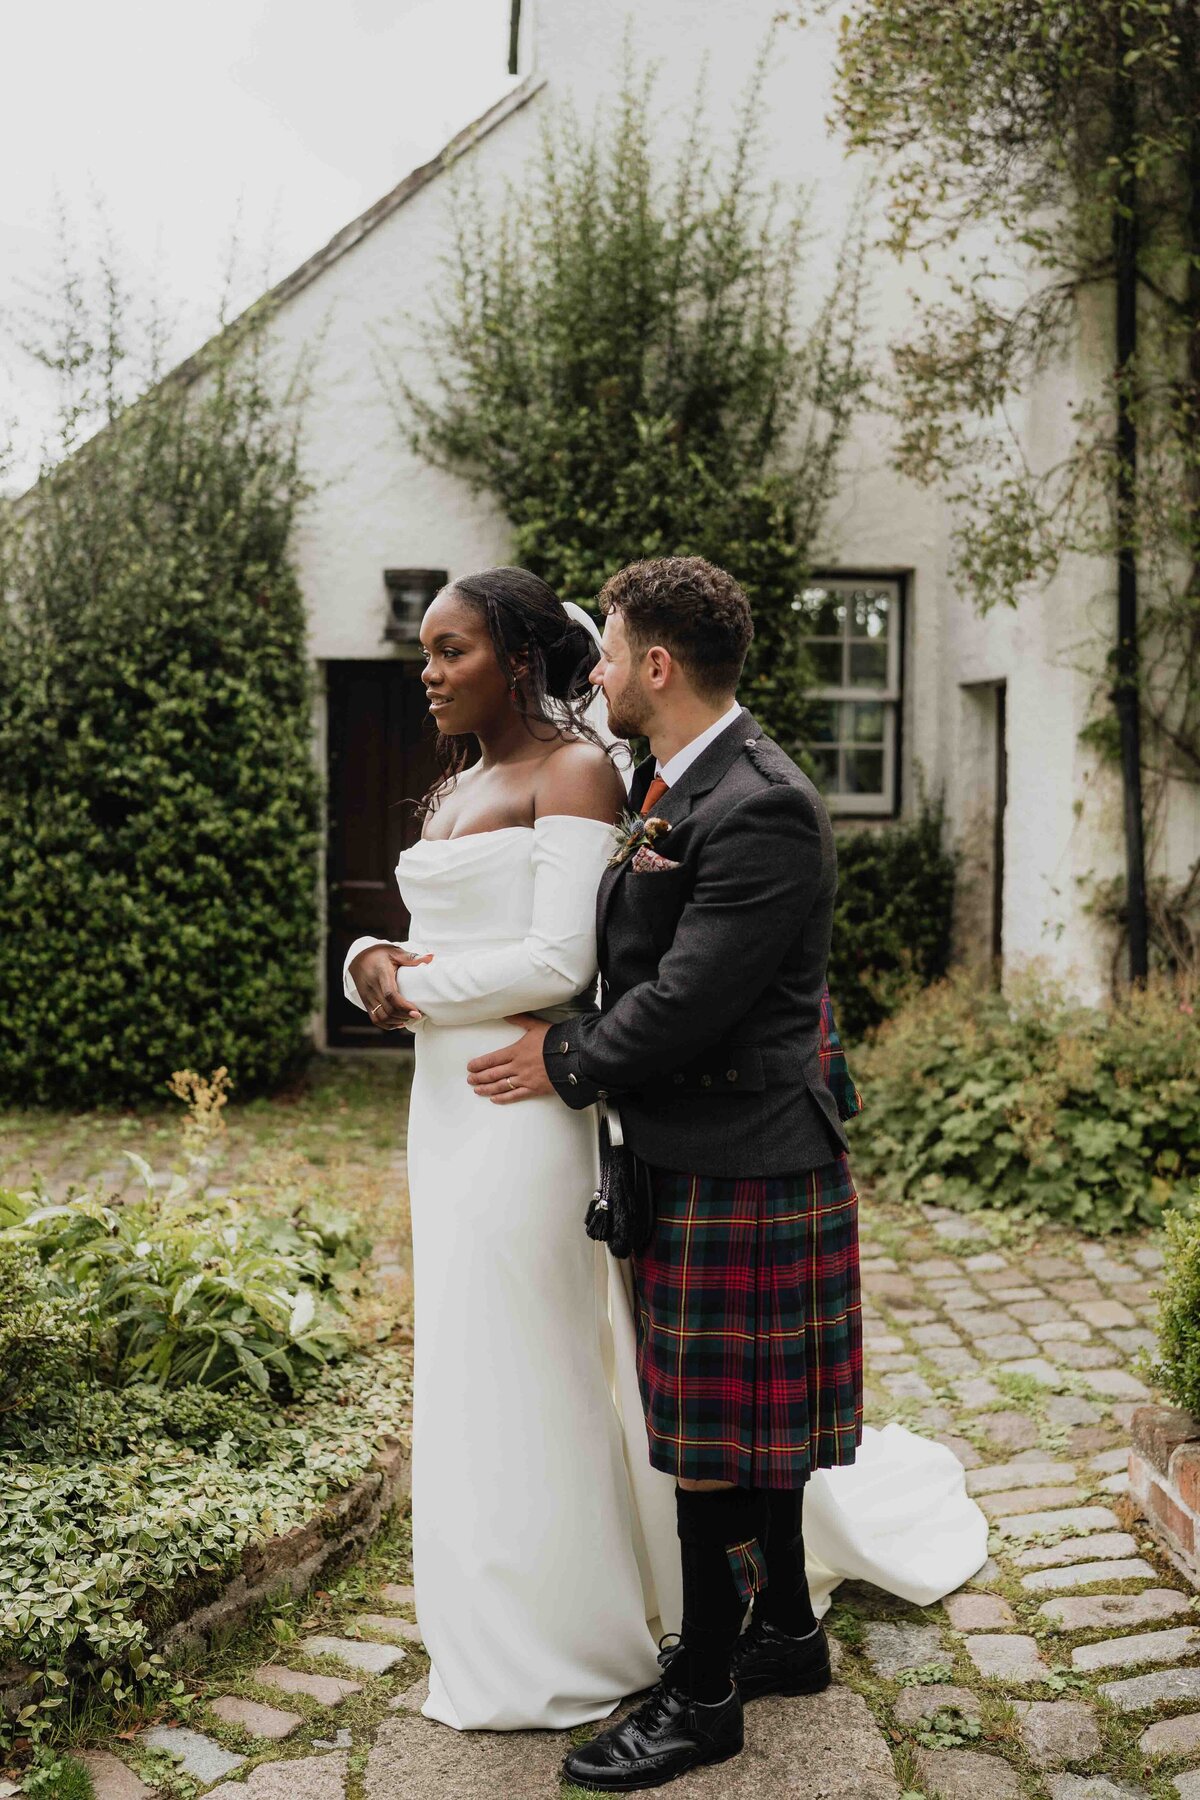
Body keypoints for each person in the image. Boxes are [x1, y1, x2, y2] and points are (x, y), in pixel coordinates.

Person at [462, 555, 867, 1790]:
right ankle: (785, 1630)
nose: (592, 671)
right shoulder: (669, 777)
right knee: (742, 1425)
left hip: (745, 1154)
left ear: (655, 665)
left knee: (706, 1433)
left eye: (609, 648)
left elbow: (691, 1000)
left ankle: (702, 1694)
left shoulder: (762, 802)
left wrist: (562, 1054)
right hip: (706, 1146)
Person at [341, 566, 675, 1731]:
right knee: (470, 1359)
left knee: (533, 1351)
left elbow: (557, 963)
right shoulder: (458, 785)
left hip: (524, 1106)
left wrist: (412, 990)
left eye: (451, 651)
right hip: (445, 1104)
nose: (427, 674)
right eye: (425, 653)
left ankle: (569, 1632)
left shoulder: (572, 769)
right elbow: (428, 934)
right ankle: (486, 1613)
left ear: (520, 659)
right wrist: (368, 961)